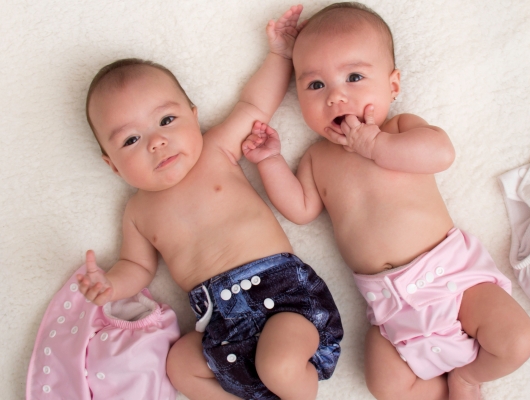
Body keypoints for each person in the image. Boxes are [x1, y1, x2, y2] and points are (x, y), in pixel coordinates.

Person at [241, 3, 530, 399]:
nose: (336, 97)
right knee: (385, 386)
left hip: (452, 280)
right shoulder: (316, 159)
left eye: (355, 77)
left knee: (516, 340)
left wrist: (378, 145)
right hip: (390, 308)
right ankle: (438, 389)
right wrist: (270, 162)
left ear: (393, 86)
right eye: (316, 86)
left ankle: (468, 377)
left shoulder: (400, 129)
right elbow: (301, 209)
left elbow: (441, 153)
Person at [77, 5, 343, 400]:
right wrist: (111, 285)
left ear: (193, 115)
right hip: (221, 326)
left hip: (286, 303)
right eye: (131, 140)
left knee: (278, 363)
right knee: (180, 365)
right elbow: (137, 267)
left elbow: (254, 106)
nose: (156, 141)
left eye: (166, 120)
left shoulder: (215, 149)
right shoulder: (137, 213)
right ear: (112, 165)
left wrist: (279, 55)